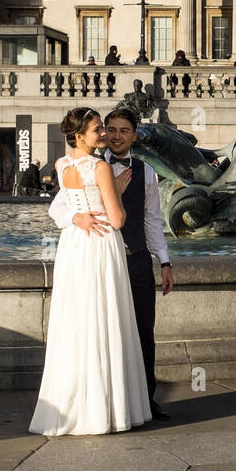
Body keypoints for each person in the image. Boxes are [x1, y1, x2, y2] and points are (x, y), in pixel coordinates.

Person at [31, 108, 152, 435]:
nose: (103, 134)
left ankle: (71, 407)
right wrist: (116, 191)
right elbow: (117, 220)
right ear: (80, 135)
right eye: (98, 129)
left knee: (77, 321)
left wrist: (76, 217)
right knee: (104, 319)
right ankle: (106, 409)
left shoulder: (61, 164)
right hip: (100, 245)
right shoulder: (100, 167)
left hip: (73, 246)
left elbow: (64, 206)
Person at [48, 107, 174, 419]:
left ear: (134, 136)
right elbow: (57, 208)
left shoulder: (146, 172)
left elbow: (152, 221)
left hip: (137, 262)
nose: (114, 136)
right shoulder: (92, 164)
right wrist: (77, 216)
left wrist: (165, 261)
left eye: (122, 131)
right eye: (110, 129)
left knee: (142, 333)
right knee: (107, 332)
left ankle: (144, 399)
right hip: (103, 259)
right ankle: (111, 403)